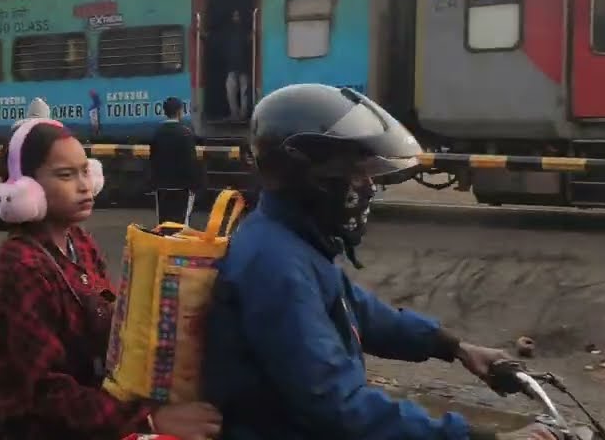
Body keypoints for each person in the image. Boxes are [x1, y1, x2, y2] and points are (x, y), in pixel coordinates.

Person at [201, 83, 554, 440]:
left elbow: (358, 311)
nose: (369, 186)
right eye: (357, 172)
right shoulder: (275, 265)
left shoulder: (292, 240)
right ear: (312, 177)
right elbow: (337, 405)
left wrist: (453, 346)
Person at [0, 117, 222, 440]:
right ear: (25, 190)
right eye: (66, 175)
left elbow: (115, 331)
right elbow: (43, 394)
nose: (84, 185)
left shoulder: (81, 244)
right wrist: (147, 419)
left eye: (86, 171)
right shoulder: (20, 268)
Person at [148, 97, 204, 225]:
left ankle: (164, 243)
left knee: (163, 222)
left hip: (162, 186)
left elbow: (153, 160)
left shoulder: (157, 133)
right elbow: (191, 162)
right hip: (182, 188)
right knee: (181, 223)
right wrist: (195, 185)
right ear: (180, 112)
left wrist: (153, 183)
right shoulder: (186, 134)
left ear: (164, 112)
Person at [220, 10, 252, 121]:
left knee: (243, 92)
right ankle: (235, 114)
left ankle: (242, 114)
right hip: (233, 67)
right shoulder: (230, 32)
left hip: (242, 67)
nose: (236, 17)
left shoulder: (244, 31)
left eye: (237, 15)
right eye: (234, 15)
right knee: (232, 92)